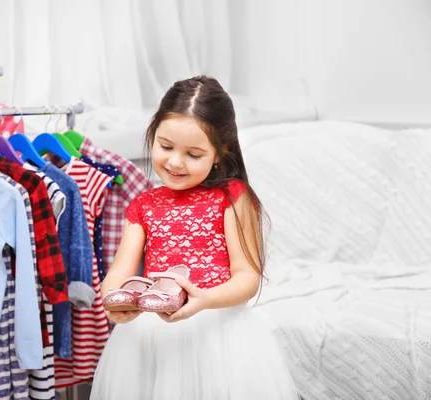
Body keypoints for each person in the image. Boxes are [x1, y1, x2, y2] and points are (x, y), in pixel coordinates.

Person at [90, 76, 298, 399]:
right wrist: (112, 300)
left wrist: (205, 300)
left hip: (217, 335)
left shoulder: (232, 197)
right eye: (166, 146)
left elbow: (248, 277)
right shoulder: (143, 206)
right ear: (152, 133)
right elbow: (119, 272)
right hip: (152, 339)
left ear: (220, 152)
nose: (175, 162)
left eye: (193, 154)